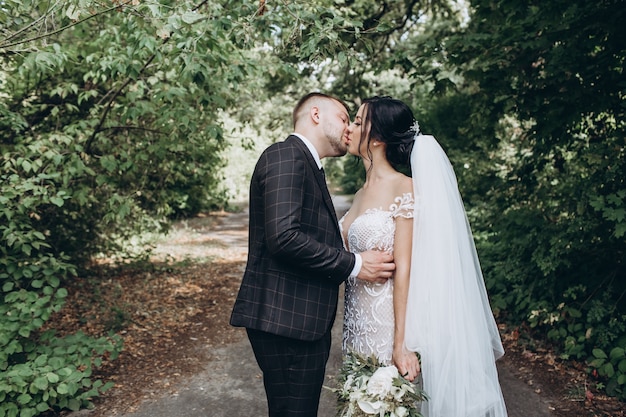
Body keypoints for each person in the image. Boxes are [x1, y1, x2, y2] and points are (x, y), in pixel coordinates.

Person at [230, 92, 396, 417]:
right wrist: (356, 265)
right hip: (287, 320)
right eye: (344, 118)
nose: (348, 129)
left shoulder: (307, 164)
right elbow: (284, 237)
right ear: (316, 115)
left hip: (296, 320)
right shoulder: (286, 156)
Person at [340, 96, 508, 417]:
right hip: (354, 326)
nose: (349, 127)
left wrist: (401, 343)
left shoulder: (406, 188)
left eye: (358, 122)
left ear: (377, 139)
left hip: (387, 326)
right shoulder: (360, 194)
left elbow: (406, 268)